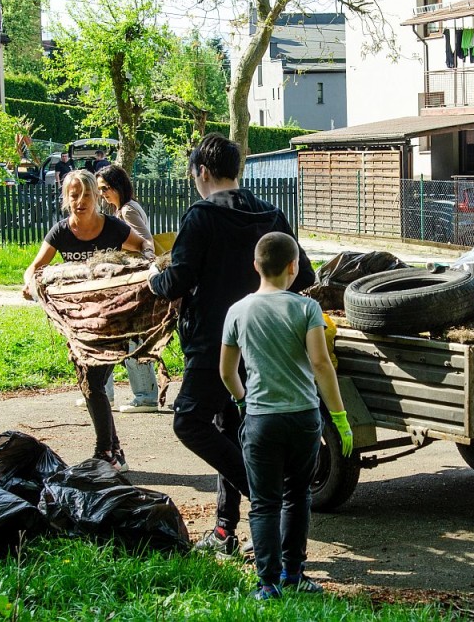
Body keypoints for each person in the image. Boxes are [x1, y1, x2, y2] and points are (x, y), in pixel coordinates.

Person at [148, 133, 315, 556]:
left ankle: (261, 492)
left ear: (202, 172)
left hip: (214, 341)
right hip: (266, 344)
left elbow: (177, 282)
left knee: (189, 421)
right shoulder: (272, 213)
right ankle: (225, 530)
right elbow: (307, 275)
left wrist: (152, 278)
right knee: (230, 426)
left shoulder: (200, 216)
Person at [220, 231, 352, 600]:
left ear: (256, 266)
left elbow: (227, 372)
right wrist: (339, 418)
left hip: (262, 420)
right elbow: (321, 365)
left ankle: (268, 584)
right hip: (304, 419)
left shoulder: (238, 310)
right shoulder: (306, 308)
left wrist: (243, 400)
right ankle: (295, 573)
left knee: (264, 503)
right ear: (293, 267)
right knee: (298, 497)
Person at [23, 169, 152, 471]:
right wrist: (30, 285)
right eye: (73, 195)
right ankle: (114, 451)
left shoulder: (114, 227)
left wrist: (144, 266)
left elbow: (144, 245)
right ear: (66, 199)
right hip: (78, 322)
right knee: (89, 384)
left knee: (93, 381)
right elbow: (33, 268)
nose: (80, 201)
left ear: (97, 197)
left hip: (111, 320)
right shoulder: (61, 232)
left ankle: (103, 451)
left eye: (86, 194)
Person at [71, 163, 158, 413]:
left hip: (129, 283)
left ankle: (145, 397)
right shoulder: (124, 209)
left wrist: (116, 256)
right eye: (99, 190)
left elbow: (146, 244)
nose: (102, 195)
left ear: (118, 186)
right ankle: (102, 393)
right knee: (106, 335)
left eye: (105, 188)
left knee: (129, 338)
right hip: (121, 283)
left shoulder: (127, 211)